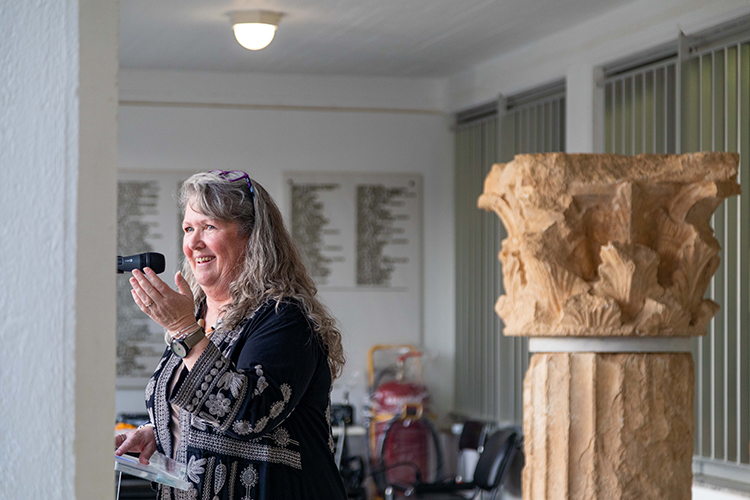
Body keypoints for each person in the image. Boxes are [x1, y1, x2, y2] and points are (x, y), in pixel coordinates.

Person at [115, 170, 348, 500]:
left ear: (252, 237)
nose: (194, 242)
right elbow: (203, 415)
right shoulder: (197, 315)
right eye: (188, 228)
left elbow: (249, 416)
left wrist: (184, 331)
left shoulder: (285, 317)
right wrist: (159, 432)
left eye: (209, 227)